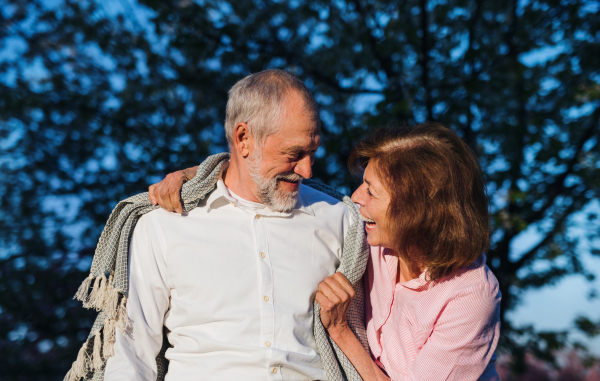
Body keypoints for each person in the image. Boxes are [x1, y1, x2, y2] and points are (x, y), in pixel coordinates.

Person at [101, 69, 368, 380]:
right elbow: (133, 351)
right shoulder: (163, 225)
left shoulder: (341, 219)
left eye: (312, 153)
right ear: (243, 139)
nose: (307, 170)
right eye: (294, 154)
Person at [316, 125, 501, 380]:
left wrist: (340, 330)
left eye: (371, 191)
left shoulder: (470, 295)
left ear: (415, 212)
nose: (356, 197)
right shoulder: (376, 241)